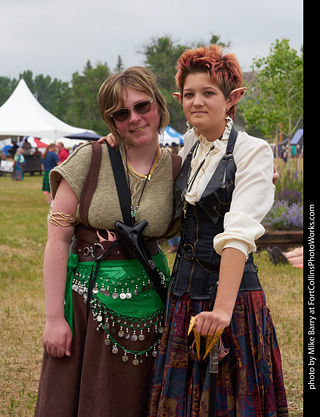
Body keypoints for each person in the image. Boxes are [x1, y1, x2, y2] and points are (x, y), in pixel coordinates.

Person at [147, 45, 288, 416]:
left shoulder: (253, 151)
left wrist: (223, 310)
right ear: (179, 99)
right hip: (183, 297)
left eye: (209, 93)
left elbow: (238, 234)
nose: (197, 102)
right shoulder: (190, 146)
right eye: (190, 94)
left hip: (231, 300)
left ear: (232, 99)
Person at [34, 66, 180, 417]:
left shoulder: (179, 167)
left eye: (142, 106)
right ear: (111, 121)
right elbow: (57, 239)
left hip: (154, 303)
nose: (135, 118)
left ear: (158, 105)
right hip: (87, 307)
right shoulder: (91, 158)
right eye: (121, 113)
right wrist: (55, 318)